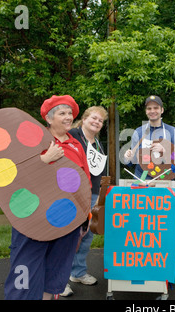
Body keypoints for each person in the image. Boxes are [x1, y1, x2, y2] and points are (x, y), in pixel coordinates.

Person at [4, 95, 91, 300]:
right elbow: (14, 174)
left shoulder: (76, 145)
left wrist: (84, 216)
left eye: (70, 113)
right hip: (33, 218)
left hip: (67, 218)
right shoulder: (33, 140)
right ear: (49, 119)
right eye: (62, 113)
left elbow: (84, 181)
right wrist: (43, 160)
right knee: (25, 268)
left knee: (56, 271)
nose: (68, 117)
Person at [61, 106, 108, 297]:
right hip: (74, 194)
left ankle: (77, 272)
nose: (97, 122)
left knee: (87, 235)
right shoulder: (72, 135)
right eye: (94, 118)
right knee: (68, 236)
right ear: (85, 118)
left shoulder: (97, 142)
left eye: (100, 121)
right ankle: (59, 280)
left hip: (94, 193)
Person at [123, 95, 175, 179]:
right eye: (149, 108)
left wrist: (165, 151)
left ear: (162, 110)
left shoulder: (173, 132)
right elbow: (133, 162)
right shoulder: (138, 132)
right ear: (146, 111)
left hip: (165, 181)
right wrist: (128, 158)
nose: (152, 111)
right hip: (141, 181)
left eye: (156, 108)